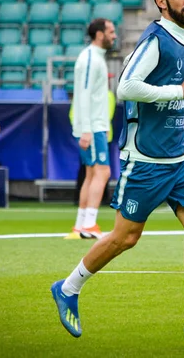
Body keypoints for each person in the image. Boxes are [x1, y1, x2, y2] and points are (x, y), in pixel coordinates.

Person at [51, 0, 184, 343]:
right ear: (161, 2)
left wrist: (178, 93)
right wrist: (177, 90)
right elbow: (125, 87)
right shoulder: (155, 37)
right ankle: (68, 288)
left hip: (181, 156)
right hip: (147, 158)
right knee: (125, 237)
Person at [65, 19, 117, 240]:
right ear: (99, 34)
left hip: (95, 125)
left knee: (90, 173)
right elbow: (84, 94)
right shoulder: (89, 59)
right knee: (102, 172)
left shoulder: (94, 57)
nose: (114, 36)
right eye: (111, 32)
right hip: (92, 126)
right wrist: (87, 129)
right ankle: (88, 225)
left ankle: (80, 225)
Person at [71, 84, 117, 207]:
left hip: (95, 134)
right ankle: (89, 212)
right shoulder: (102, 94)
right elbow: (106, 115)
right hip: (96, 134)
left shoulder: (104, 94)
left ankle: (89, 207)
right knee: (97, 171)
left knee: (90, 170)